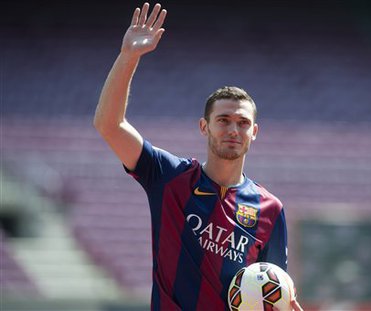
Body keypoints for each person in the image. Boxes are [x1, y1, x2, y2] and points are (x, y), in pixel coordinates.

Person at [94, 2, 303, 310]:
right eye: (224, 120)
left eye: (243, 123)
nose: (234, 129)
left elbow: (271, 292)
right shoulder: (168, 176)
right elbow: (109, 125)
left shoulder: (270, 209)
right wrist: (129, 57)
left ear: (254, 132)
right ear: (204, 127)